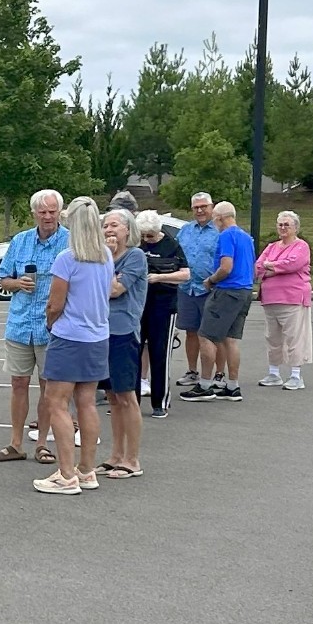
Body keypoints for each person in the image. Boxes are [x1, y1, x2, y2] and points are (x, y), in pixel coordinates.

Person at [33, 197, 113, 495]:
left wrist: (51, 322)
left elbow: (55, 303)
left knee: (56, 402)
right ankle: (87, 470)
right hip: (97, 336)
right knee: (87, 402)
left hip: (70, 336)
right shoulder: (105, 255)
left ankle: (66, 474)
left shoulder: (67, 258)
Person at [0, 189, 69, 465]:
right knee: (18, 383)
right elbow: (0, 279)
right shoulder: (20, 241)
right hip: (20, 324)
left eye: (52, 211)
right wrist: (16, 283)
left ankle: (43, 444)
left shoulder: (69, 243)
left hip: (53, 327)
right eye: (42, 212)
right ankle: (15, 443)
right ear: (34, 213)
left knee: (48, 387)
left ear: (60, 212)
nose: (47, 216)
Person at [101, 208, 148, 478]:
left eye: (115, 225)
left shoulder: (135, 256)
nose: (109, 230)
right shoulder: (104, 258)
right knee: (112, 397)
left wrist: (107, 263)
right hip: (101, 332)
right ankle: (115, 455)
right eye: (106, 225)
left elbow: (113, 289)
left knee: (127, 396)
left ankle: (132, 459)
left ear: (128, 230)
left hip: (124, 332)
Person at [195, 201, 256, 400]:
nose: (214, 222)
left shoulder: (226, 235)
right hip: (244, 290)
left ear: (220, 218)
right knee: (231, 339)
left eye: (215, 218)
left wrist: (211, 280)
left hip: (227, 290)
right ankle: (232, 385)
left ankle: (204, 385)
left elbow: (226, 266)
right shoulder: (247, 238)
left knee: (207, 336)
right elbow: (252, 267)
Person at [134, 211, 187, 416]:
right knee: (133, 353)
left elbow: (185, 274)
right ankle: (131, 400)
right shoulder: (136, 245)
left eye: (150, 236)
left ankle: (160, 402)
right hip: (138, 306)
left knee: (160, 353)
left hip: (164, 305)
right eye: (143, 236)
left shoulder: (171, 245)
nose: (147, 240)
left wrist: (158, 277)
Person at [255, 210, 313, 389]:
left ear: (296, 228)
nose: (282, 228)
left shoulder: (301, 246)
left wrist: (271, 266)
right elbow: (258, 266)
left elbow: (293, 263)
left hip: (293, 298)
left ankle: (296, 376)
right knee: (272, 338)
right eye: (280, 224)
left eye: (286, 224)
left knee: (294, 337)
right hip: (270, 299)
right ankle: (274, 373)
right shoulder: (272, 246)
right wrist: (272, 267)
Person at [173, 193, 220, 397]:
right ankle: (192, 371)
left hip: (210, 289)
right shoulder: (184, 231)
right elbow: (175, 254)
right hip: (186, 288)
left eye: (204, 206)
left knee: (213, 334)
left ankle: (218, 375)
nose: (200, 211)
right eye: (196, 207)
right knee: (190, 332)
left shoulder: (219, 231)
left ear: (212, 207)